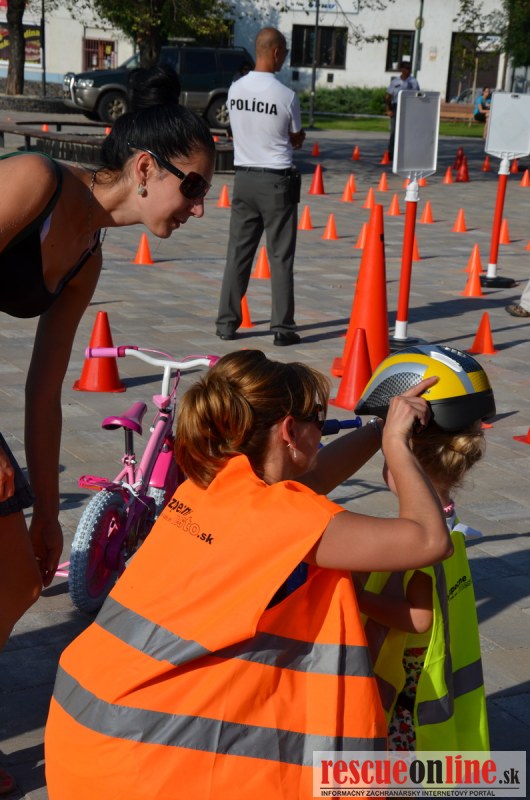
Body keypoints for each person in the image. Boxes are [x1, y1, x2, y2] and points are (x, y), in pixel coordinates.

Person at [45, 349, 453, 799]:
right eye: (319, 420)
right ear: (289, 431)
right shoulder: (281, 517)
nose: (324, 430)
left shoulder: (209, 485)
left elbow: (308, 484)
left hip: (85, 722)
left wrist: (377, 429)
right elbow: (429, 540)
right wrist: (396, 443)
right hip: (141, 760)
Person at [0, 65, 214, 794]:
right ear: (146, 169)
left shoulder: (87, 255)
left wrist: (45, 511)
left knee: (18, 580)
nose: (200, 207)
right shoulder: (35, 182)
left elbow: (43, 389)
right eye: (194, 186)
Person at [354, 344, 495, 752]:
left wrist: (356, 596)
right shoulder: (448, 523)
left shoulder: (414, 540)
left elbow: (417, 618)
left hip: (406, 692)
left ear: (406, 465)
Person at [215, 27, 305, 346]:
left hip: (244, 178)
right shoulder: (286, 95)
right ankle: (282, 327)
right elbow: (295, 136)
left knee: (238, 253)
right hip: (277, 180)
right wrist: (297, 139)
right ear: (277, 52)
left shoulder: (235, 90)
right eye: (285, 53)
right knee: (280, 255)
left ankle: (226, 323)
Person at [385, 59, 420, 160]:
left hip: (409, 107)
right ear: (402, 69)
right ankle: (391, 154)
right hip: (396, 106)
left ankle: (406, 153)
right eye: (406, 69)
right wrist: (388, 109)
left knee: (408, 131)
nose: (408, 71)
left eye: (410, 69)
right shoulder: (395, 81)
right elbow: (388, 96)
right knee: (394, 132)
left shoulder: (413, 82)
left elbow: (417, 96)